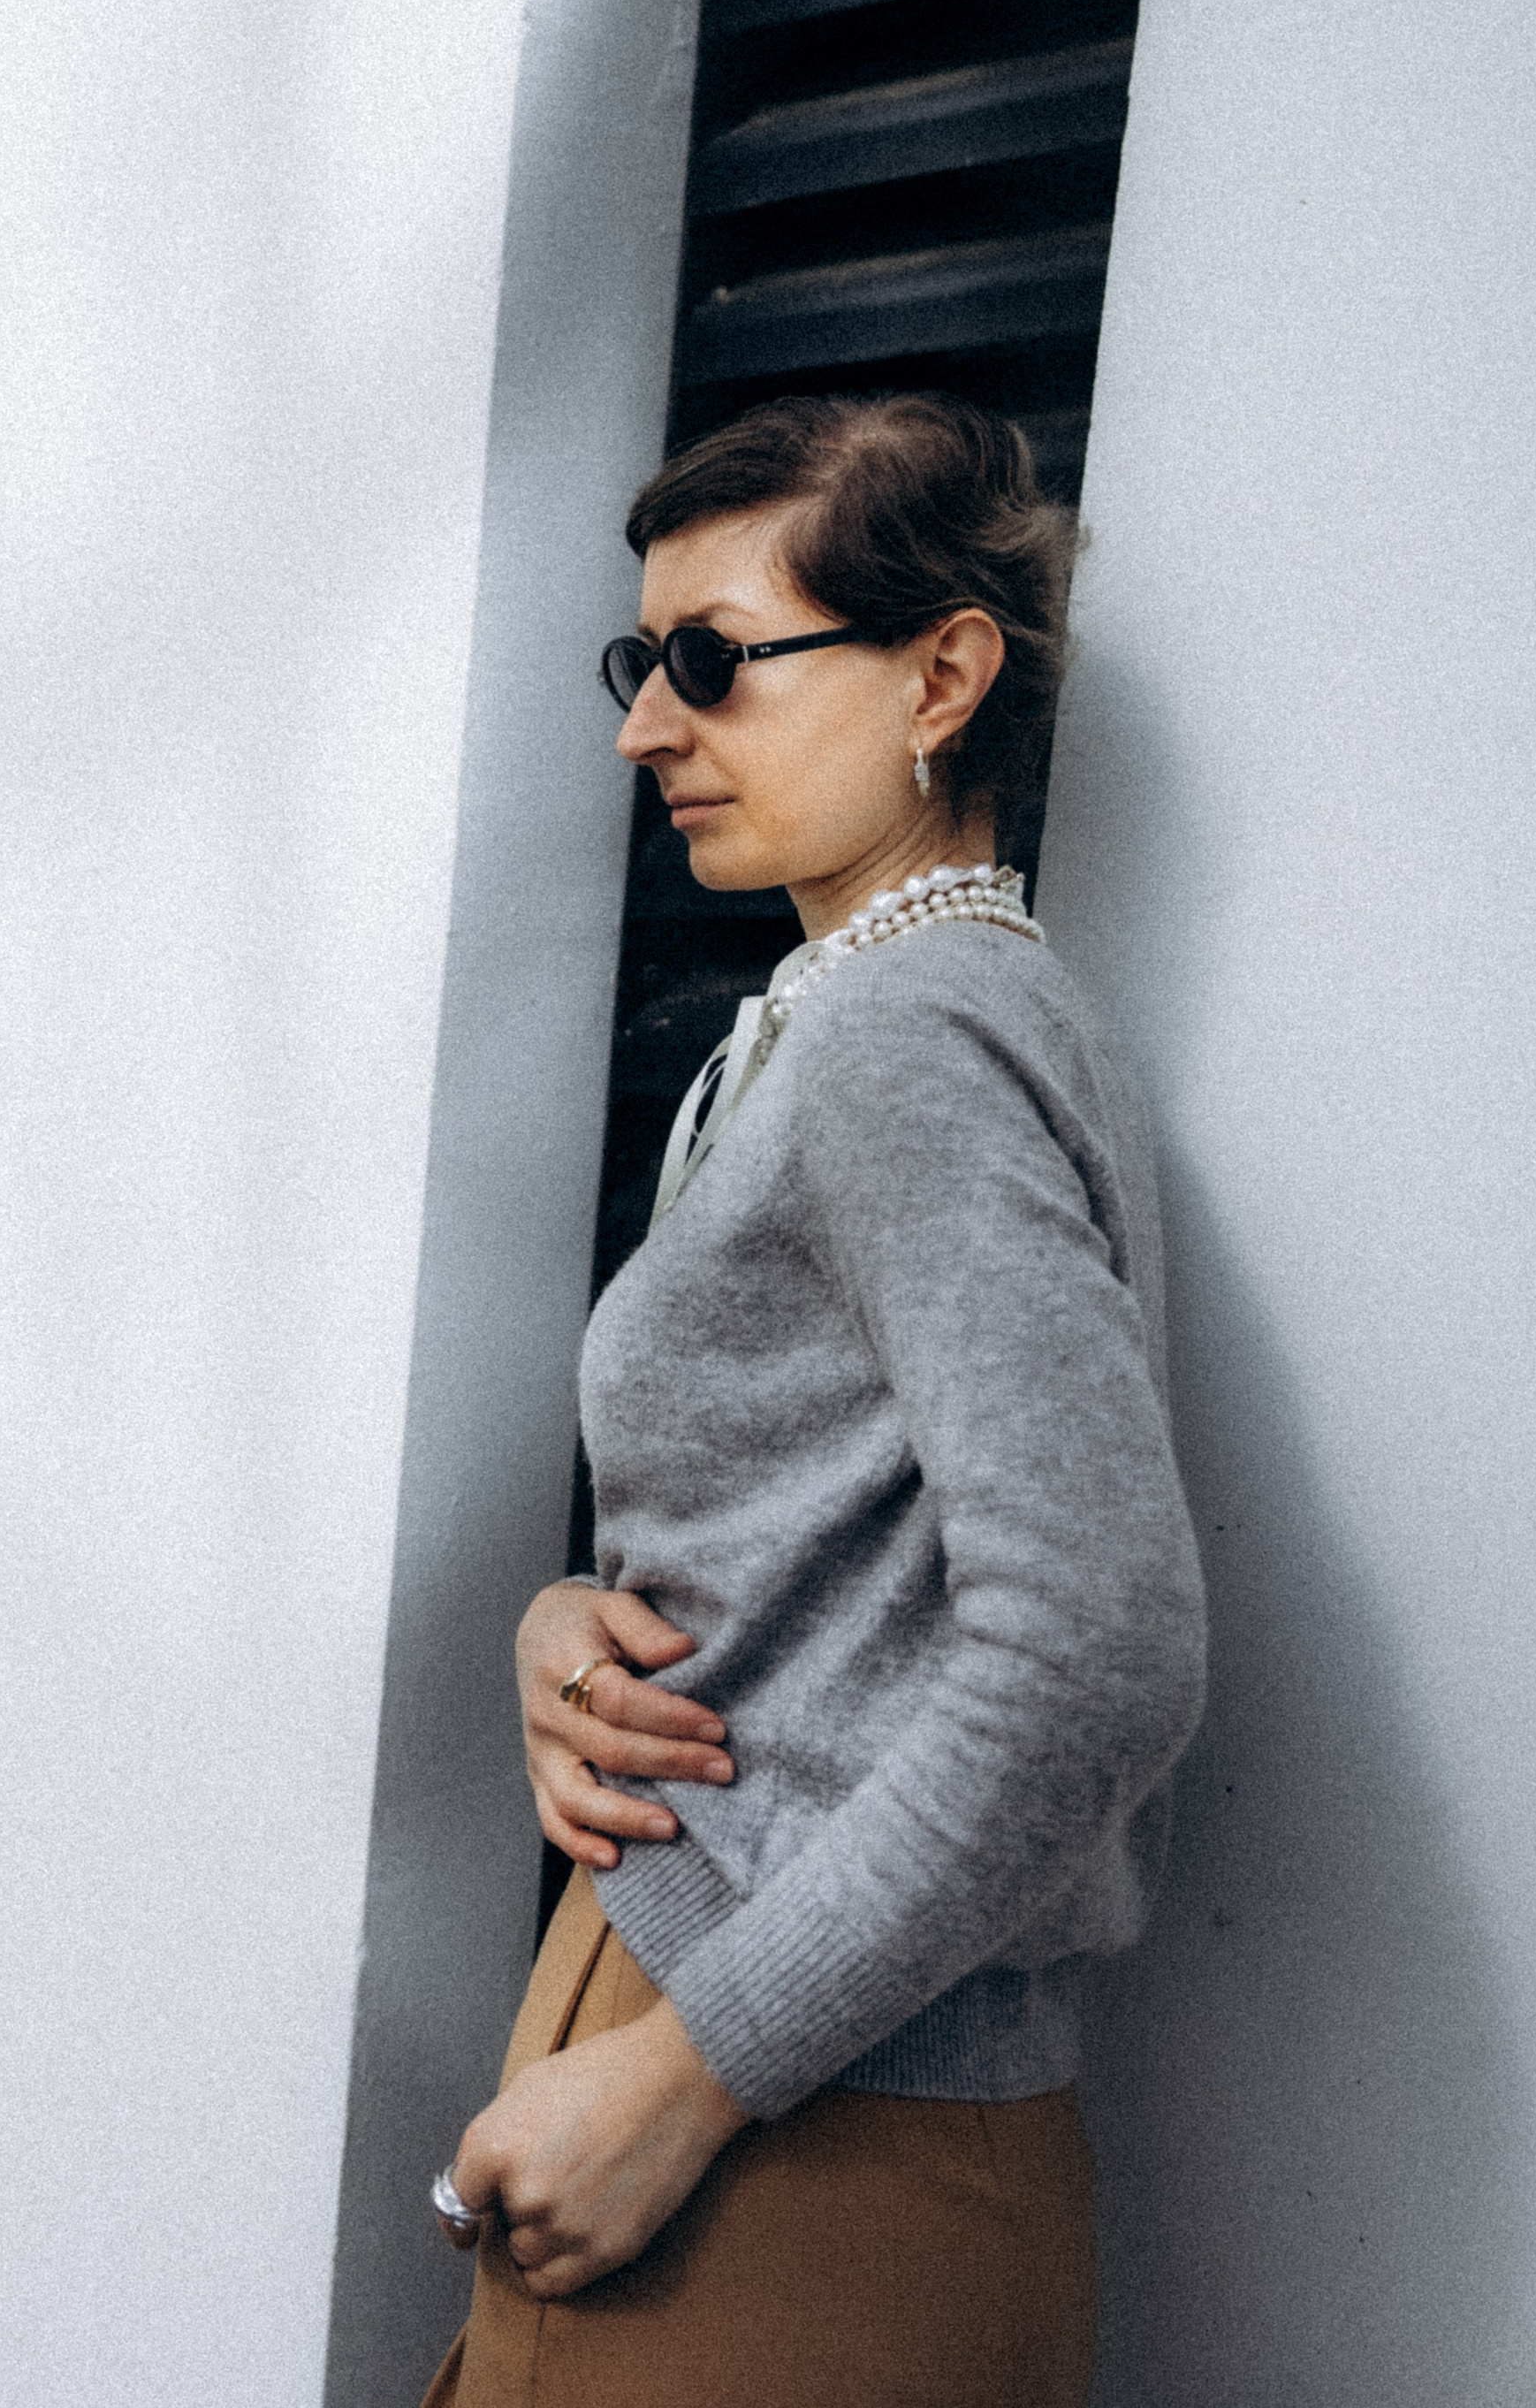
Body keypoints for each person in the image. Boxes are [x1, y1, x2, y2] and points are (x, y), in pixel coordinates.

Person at [420, 392, 1207, 2408]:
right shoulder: (838, 1025)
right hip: (748, 2044)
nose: (639, 728)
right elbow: (847, 1540)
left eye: (710, 663)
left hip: (803, 2125)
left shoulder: (911, 1036)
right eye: (635, 663)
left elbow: (1100, 1646)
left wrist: (690, 2076)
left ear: (940, 672)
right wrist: (565, 1620)